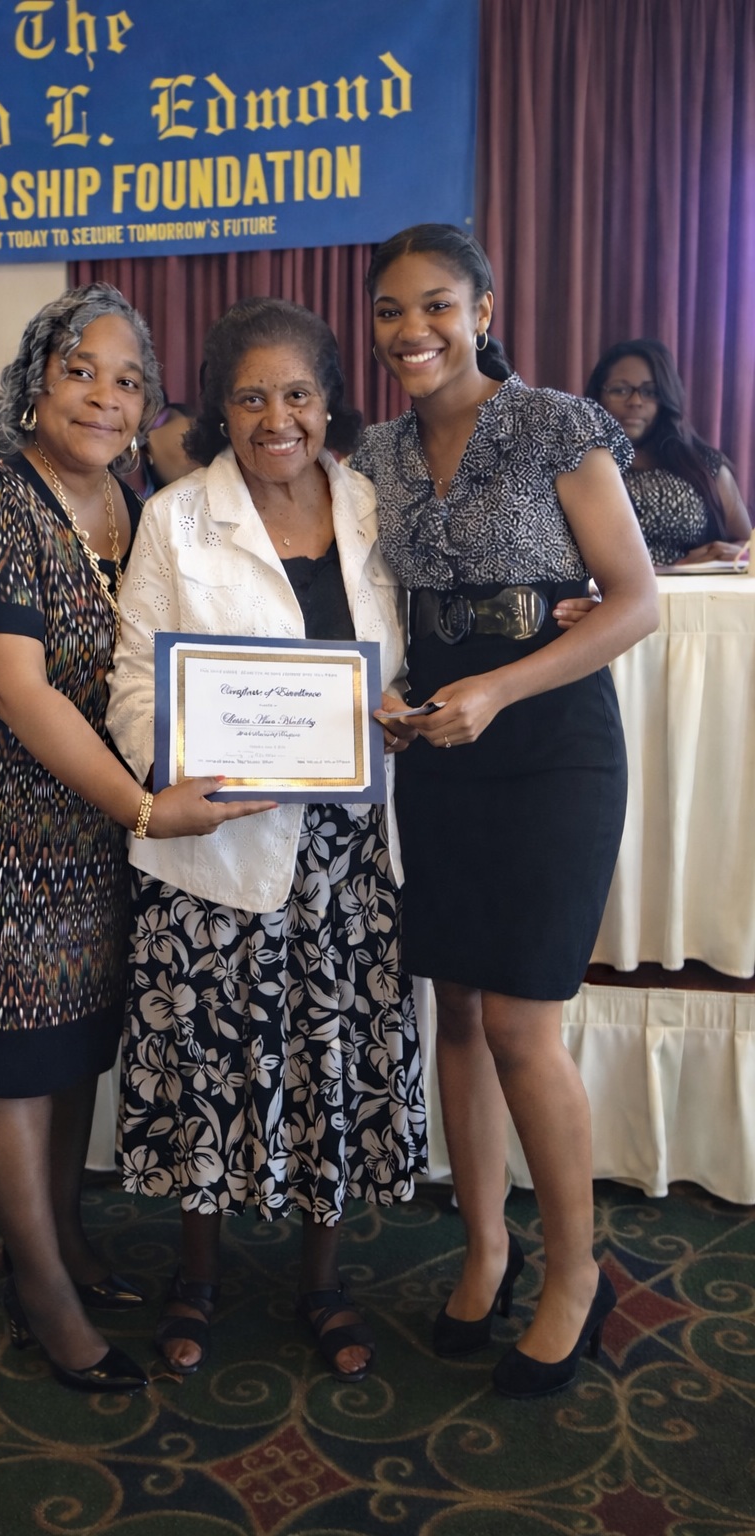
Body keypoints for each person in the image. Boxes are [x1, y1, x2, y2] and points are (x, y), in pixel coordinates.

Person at [0, 283, 269, 1397]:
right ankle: (37, 1282)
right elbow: (15, 689)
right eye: (79, 368)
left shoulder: (131, 499)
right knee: (6, 1048)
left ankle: (67, 1238)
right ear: (34, 380)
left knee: (69, 1033)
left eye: (128, 378)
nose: (104, 394)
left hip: (77, 822)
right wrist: (144, 808)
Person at [350, 225, 659, 1398]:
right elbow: (360, 591)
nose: (410, 331)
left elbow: (632, 606)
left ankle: (575, 1273)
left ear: (483, 307)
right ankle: (486, 1245)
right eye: (388, 311)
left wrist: (499, 686)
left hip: (549, 739)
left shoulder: (556, 423)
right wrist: (384, 682)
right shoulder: (371, 450)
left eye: (434, 305)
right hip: (435, 743)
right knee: (460, 1015)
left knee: (525, 1023)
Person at [106, 297, 427, 1384]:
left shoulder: (378, 507)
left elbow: (410, 659)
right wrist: (184, 761)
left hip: (346, 856)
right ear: (218, 408)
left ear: (330, 403)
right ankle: (194, 1276)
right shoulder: (175, 518)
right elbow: (134, 683)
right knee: (209, 1069)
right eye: (249, 397)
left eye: (296, 394)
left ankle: (320, 1280)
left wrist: (398, 708)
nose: (274, 417)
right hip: (215, 842)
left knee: (329, 1063)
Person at [584, 338, 750, 566]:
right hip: (609, 599)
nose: (635, 401)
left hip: (698, 597)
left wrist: (733, 555)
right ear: (598, 395)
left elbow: (746, 544)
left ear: (666, 399)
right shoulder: (577, 466)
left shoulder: (703, 465)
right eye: (620, 390)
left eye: (649, 392)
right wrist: (671, 569)